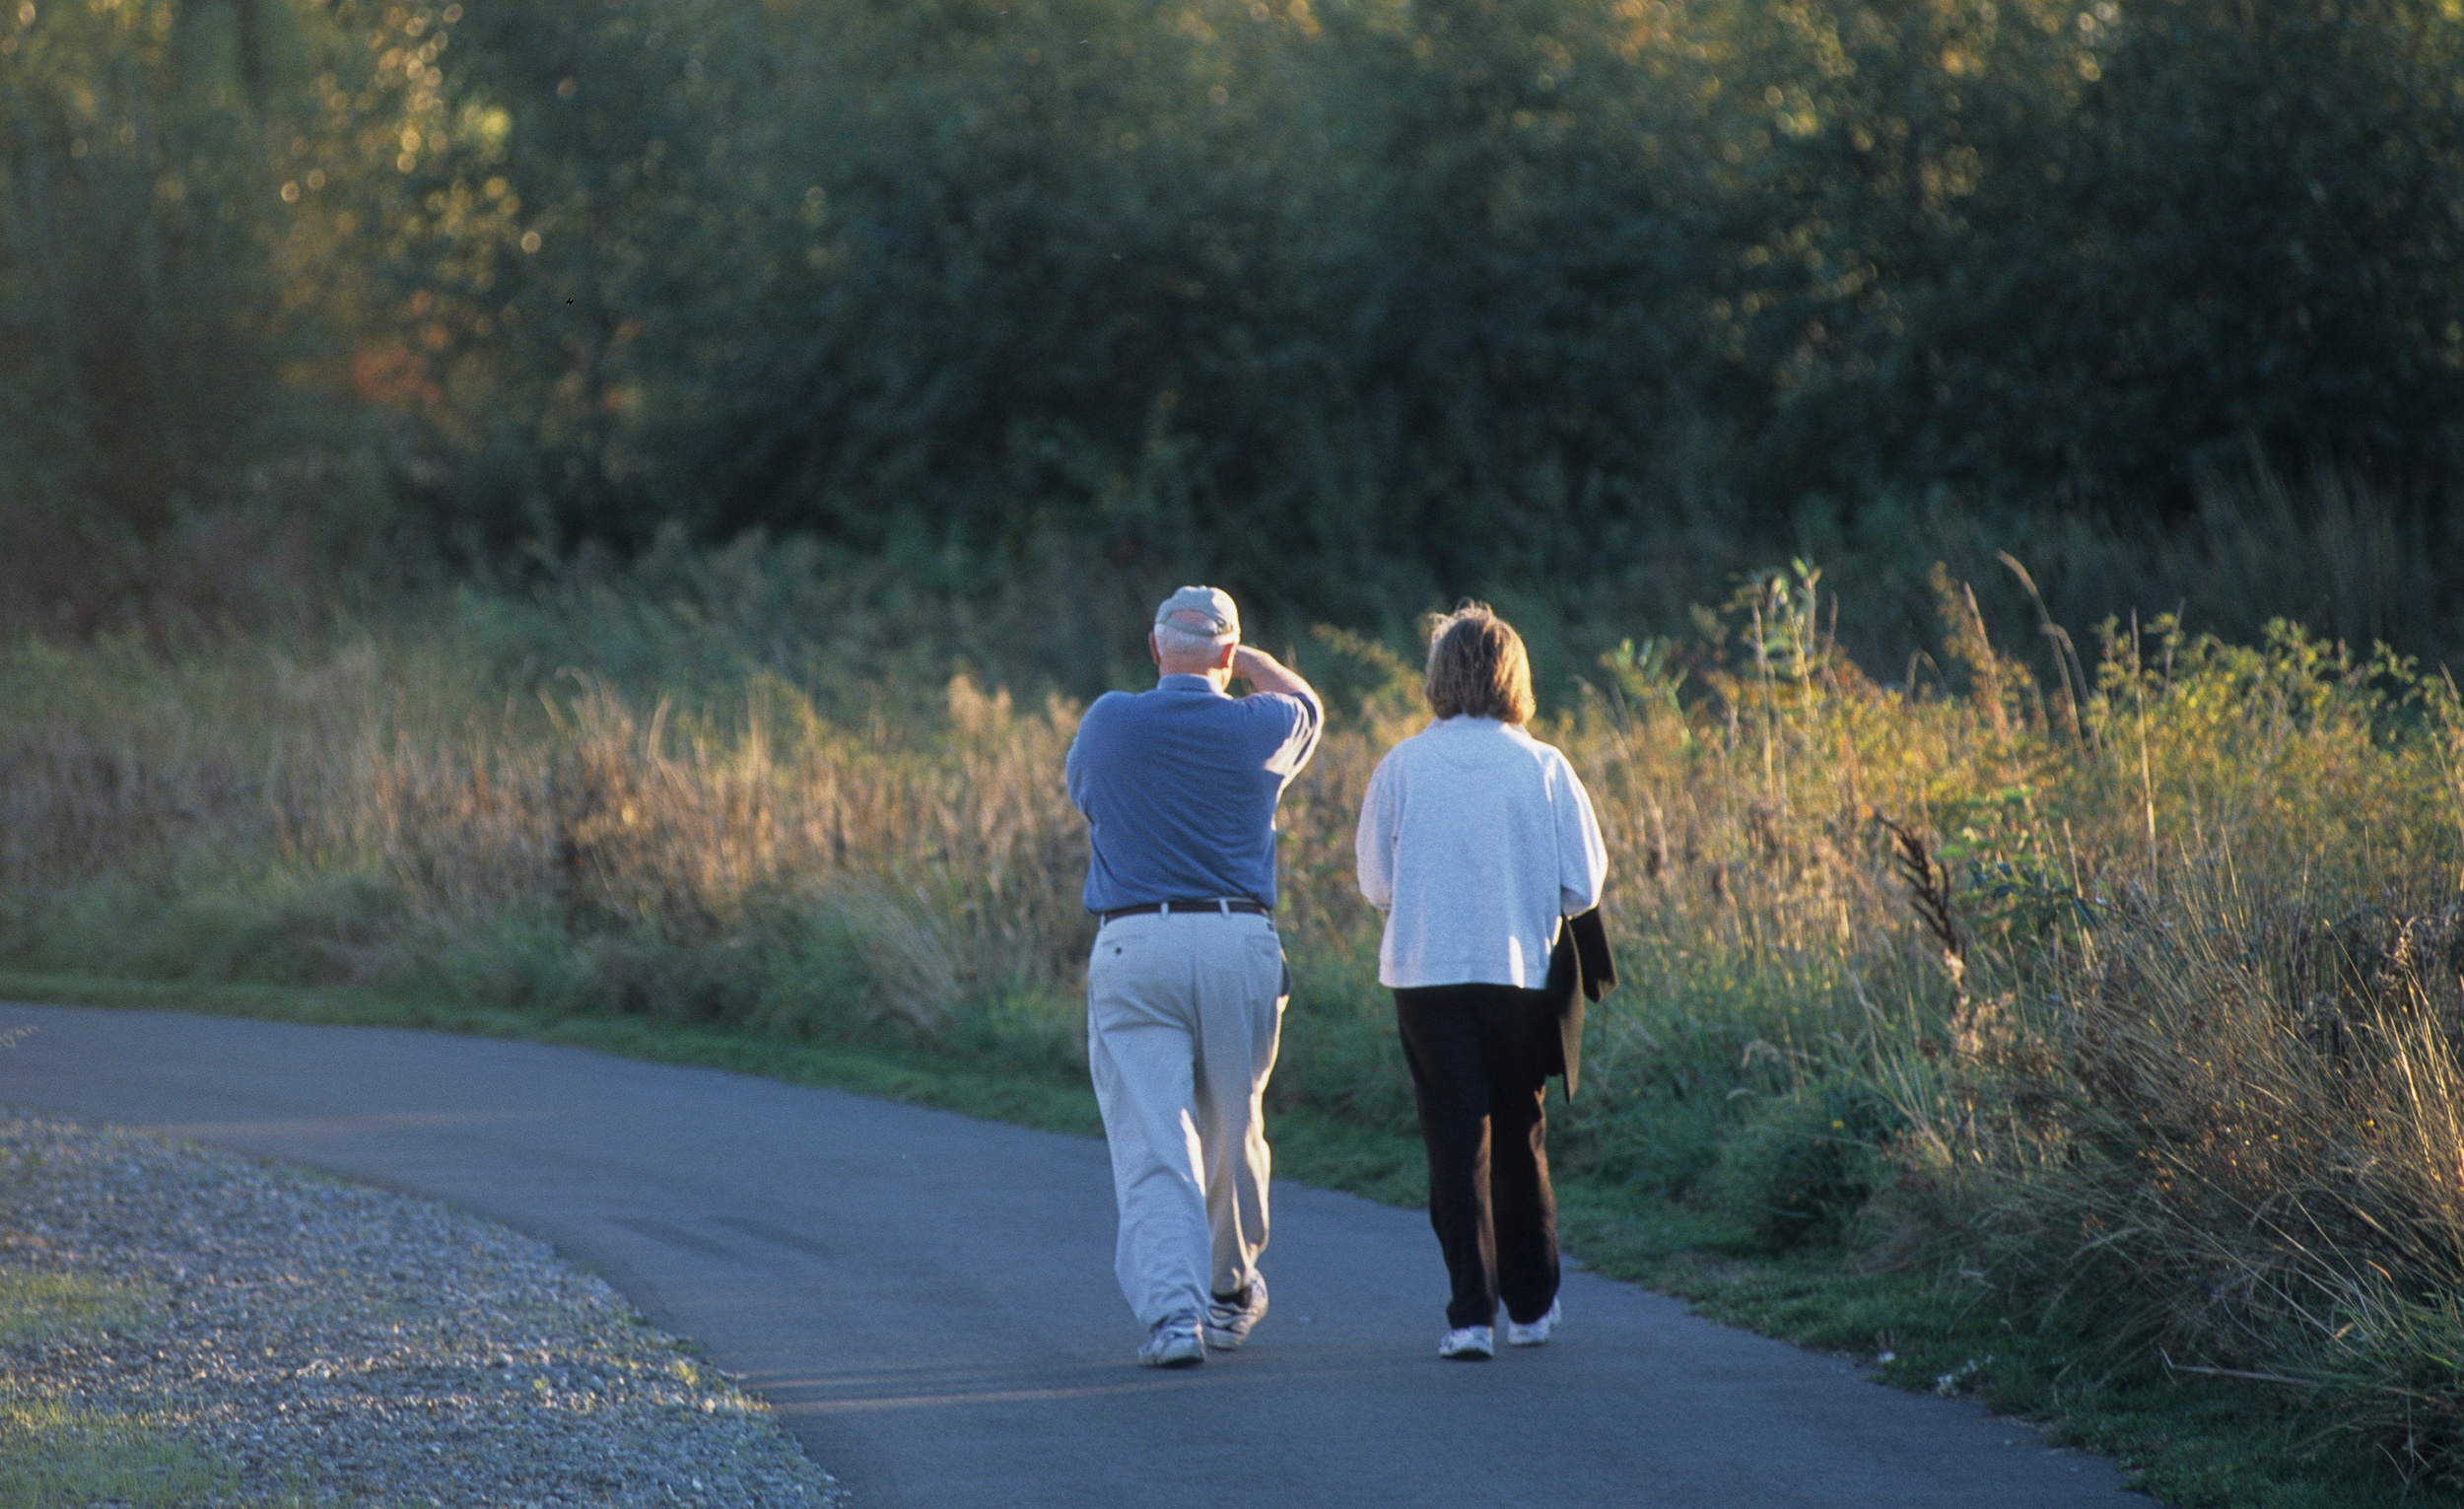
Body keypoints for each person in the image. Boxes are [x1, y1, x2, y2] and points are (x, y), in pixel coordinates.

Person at [1064, 585, 1324, 1368]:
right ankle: (1229, 1289)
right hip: (1236, 935)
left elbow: (1086, 798)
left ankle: (1172, 1316)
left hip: (1136, 939)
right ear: (1226, 656)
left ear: (1153, 649)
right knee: (1234, 1124)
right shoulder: (1261, 724)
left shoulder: (1109, 719)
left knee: (1153, 1138)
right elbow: (1308, 702)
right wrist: (1245, 659)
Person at [1354, 603, 1608, 1360]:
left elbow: (1376, 882)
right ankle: (1532, 1304)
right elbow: (1583, 886)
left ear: (1438, 675)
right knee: (1519, 1132)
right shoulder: (1545, 766)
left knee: (1454, 1139)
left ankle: (1470, 1315)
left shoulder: (1400, 764)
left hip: (1426, 973)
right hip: (1518, 974)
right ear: (1514, 676)